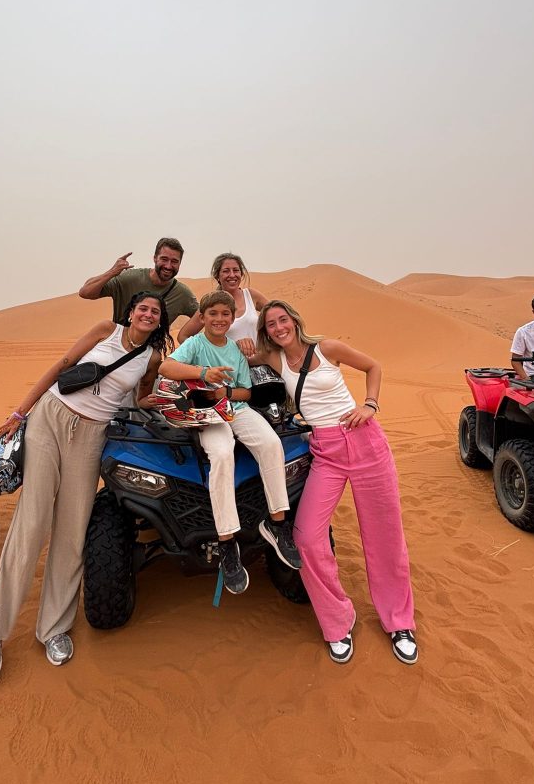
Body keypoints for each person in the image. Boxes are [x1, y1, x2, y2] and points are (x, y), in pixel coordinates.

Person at [0, 293, 172, 688]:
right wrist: (20, 411)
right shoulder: (104, 332)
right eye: (142, 309)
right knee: (32, 523)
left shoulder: (151, 359)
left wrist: (169, 400)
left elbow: (140, 397)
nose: (148, 315)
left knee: (73, 528)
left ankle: (54, 628)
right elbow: (61, 366)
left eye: (155, 312)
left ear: (159, 321)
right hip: (52, 418)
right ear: (131, 312)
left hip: (93, 436)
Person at [253, 299, 417, 666]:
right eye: (272, 324)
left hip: (365, 441)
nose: (279, 328)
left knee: (385, 536)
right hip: (325, 451)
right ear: (267, 332)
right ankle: (337, 621)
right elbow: (227, 354)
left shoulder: (327, 348)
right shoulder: (273, 359)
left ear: (294, 321)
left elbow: (373, 365)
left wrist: (370, 404)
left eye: (284, 320)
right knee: (307, 538)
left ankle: (399, 622)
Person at [158, 290, 301, 595]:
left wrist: (226, 394)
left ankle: (278, 524)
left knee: (271, 444)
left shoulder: (236, 351)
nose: (220, 319)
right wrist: (204, 373)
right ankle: (227, 542)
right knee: (222, 455)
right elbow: (165, 368)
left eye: (225, 314)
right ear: (203, 317)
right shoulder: (196, 344)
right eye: (213, 314)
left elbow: (246, 393)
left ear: (232, 318)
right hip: (206, 414)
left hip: (235, 409)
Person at [79, 237, 198, 327]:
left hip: (149, 354)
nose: (168, 266)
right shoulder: (129, 278)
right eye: (164, 259)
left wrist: (185, 338)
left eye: (174, 261)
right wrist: (112, 272)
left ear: (180, 264)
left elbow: (204, 318)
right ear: (155, 258)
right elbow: (86, 292)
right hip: (116, 347)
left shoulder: (183, 294)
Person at [177, 252, 268, 357]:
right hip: (230, 368)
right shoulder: (211, 303)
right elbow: (183, 336)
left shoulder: (251, 295)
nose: (232, 275)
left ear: (241, 274)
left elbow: (277, 314)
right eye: (226, 271)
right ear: (217, 276)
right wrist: (208, 354)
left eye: (236, 270)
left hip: (259, 364)